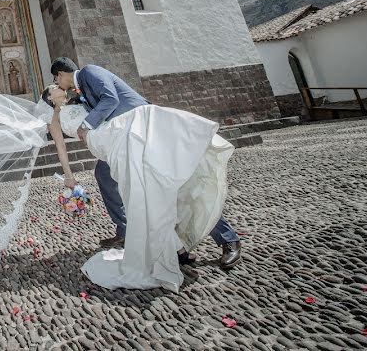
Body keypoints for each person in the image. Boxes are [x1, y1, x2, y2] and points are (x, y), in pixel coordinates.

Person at [44, 56, 242, 290]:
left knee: (173, 185)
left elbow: (111, 98)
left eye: (56, 81)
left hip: (143, 131)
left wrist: (86, 125)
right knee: (109, 178)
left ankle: (228, 239)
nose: (57, 86)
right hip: (122, 143)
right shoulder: (78, 95)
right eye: (53, 88)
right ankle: (130, 230)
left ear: (60, 74)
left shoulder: (89, 72)